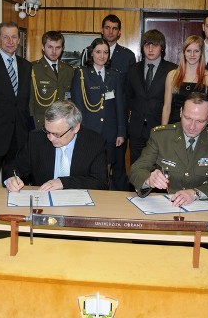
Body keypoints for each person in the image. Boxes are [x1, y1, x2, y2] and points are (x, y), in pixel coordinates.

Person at [129, 92, 208, 205]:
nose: (192, 126)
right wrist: (148, 179)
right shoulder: (161, 136)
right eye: (187, 118)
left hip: (201, 205)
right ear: (180, 112)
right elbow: (136, 169)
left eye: (200, 121)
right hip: (166, 203)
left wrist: (196, 193)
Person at [3, 100, 108, 192]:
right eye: (47, 131)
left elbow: (100, 182)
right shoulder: (36, 139)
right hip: (44, 202)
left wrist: (63, 183)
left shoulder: (94, 142)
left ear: (75, 128)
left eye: (57, 134)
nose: (50, 138)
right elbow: (14, 166)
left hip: (80, 204)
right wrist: (11, 178)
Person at [0, 22, 31, 195]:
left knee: (16, 185)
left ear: (19, 40)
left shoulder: (26, 66)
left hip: (19, 137)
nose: (10, 41)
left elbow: (25, 104)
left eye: (14, 37)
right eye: (5, 37)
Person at [71, 38, 125, 187]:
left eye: (106, 52)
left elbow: (119, 105)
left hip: (109, 131)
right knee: (88, 170)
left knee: (106, 171)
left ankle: (105, 199)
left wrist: (121, 132)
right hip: (88, 130)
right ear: (91, 54)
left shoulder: (114, 75)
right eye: (98, 52)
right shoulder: (82, 74)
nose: (102, 56)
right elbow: (77, 106)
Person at [126, 29, 177, 164]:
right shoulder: (132, 69)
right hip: (137, 131)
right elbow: (129, 97)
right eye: (147, 45)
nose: (150, 49)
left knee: (158, 170)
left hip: (160, 129)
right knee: (136, 169)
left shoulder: (173, 70)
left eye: (154, 45)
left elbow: (175, 103)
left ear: (162, 47)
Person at [99, 14, 136, 191]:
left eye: (114, 28)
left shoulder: (128, 56)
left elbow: (129, 89)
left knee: (119, 164)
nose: (110, 31)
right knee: (96, 163)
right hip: (96, 116)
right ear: (102, 30)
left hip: (118, 118)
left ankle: (120, 203)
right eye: (107, 27)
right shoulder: (91, 51)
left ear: (119, 32)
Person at [161, 35, 208, 128]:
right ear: (184, 53)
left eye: (196, 51)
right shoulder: (172, 75)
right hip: (175, 127)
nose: (192, 55)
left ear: (201, 53)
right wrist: (163, 131)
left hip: (199, 128)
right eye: (188, 51)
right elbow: (167, 107)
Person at [29, 31, 75, 129]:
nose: (54, 51)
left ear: (62, 48)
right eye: (50, 47)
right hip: (41, 124)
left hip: (64, 124)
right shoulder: (33, 69)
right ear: (43, 47)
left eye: (57, 47)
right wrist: (31, 125)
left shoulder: (69, 70)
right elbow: (30, 101)